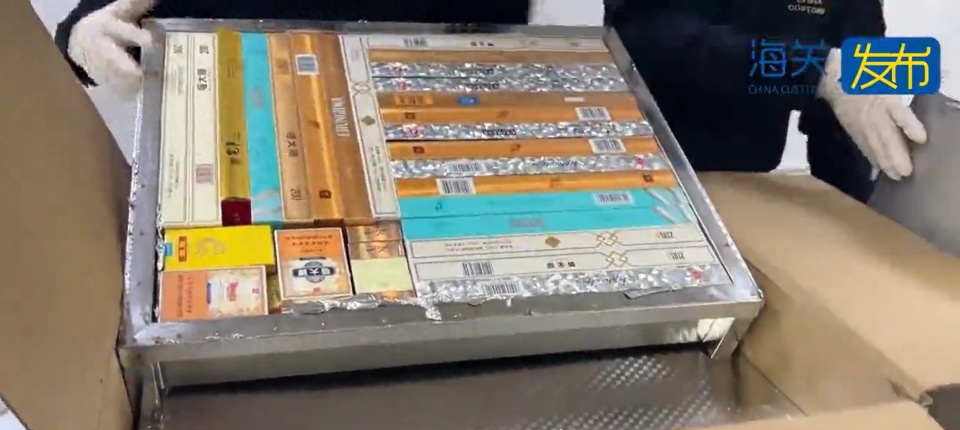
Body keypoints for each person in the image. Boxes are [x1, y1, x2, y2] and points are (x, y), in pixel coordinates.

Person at [604, 0, 928, 202]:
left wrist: (857, 211)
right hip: (635, 167)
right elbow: (648, 41)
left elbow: (853, 100)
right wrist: (815, 70)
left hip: (745, 182)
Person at [56, 0, 531, 100]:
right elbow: (77, 31)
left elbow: (490, 47)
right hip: (235, 156)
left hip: (398, 129)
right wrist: (82, 39)